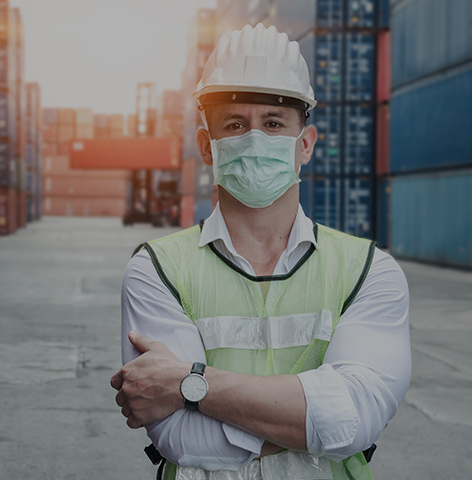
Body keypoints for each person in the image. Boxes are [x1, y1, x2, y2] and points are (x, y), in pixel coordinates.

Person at [109, 24, 411, 480]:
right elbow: (181, 439)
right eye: (235, 124)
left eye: (273, 123)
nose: (254, 139)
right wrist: (311, 422)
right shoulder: (157, 268)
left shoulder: (368, 270)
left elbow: (353, 421)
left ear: (303, 145)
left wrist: (191, 384)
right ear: (206, 147)